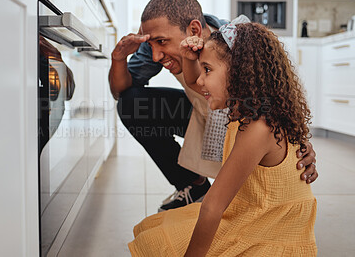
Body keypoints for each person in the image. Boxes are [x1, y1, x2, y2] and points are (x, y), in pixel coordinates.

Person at [109, 0, 318, 212]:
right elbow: (119, 92)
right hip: (200, 114)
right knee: (132, 104)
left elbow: (280, 93)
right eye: (151, 45)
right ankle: (194, 186)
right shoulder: (157, 47)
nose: (155, 56)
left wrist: (298, 139)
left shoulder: (239, 42)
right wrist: (119, 58)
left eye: (162, 42)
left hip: (241, 123)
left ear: (194, 30)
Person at [128, 18, 317, 256]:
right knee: (152, 228)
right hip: (252, 212)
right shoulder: (247, 108)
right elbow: (192, 81)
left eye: (207, 70)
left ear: (240, 74)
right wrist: (189, 56)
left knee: (157, 242)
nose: (199, 79)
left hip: (269, 230)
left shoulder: (258, 128)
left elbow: (212, 206)